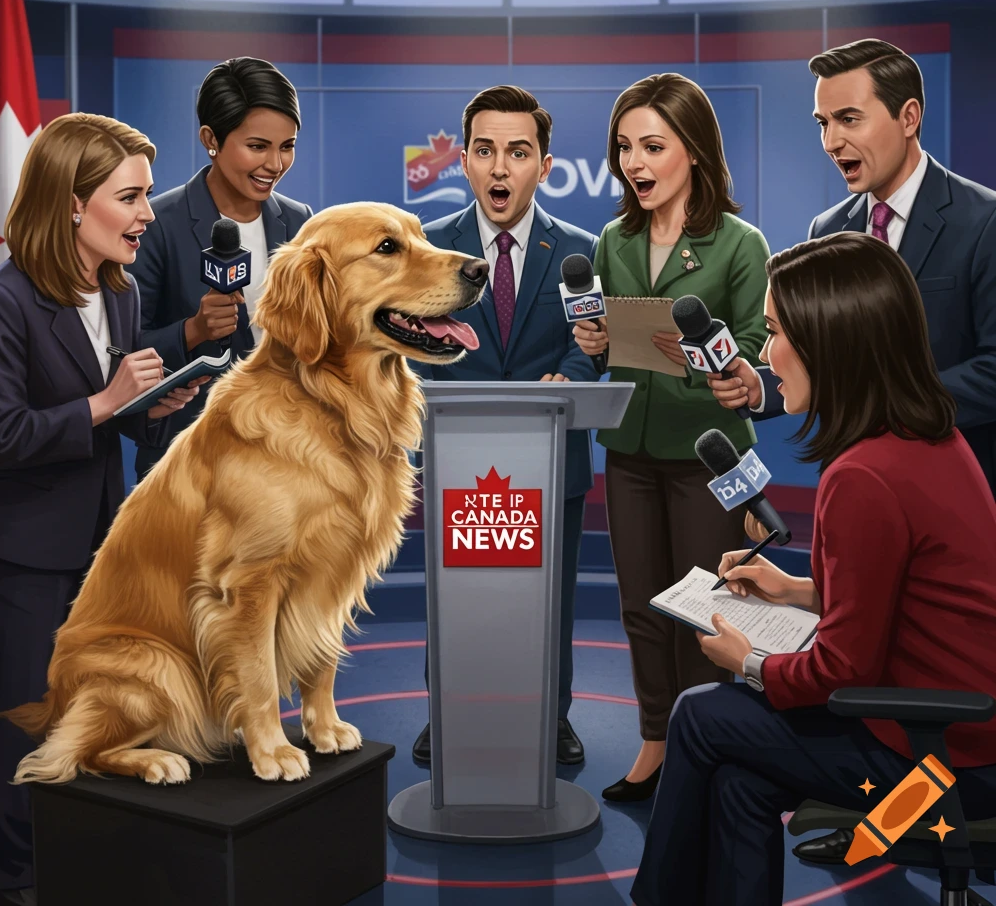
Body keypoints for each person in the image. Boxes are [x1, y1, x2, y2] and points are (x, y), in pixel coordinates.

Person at [630, 231, 996, 906]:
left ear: (831, 343)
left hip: (945, 763)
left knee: (700, 714)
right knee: (740, 781)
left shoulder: (862, 476)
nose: (764, 356)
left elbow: (839, 673)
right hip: (969, 738)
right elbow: (908, 601)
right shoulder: (928, 436)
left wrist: (747, 662)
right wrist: (795, 589)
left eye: (774, 333)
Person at [0, 113, 203, 906]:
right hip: (24, 556)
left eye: (145, 196)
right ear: (73, 203)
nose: (146, 215)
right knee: (23, 726)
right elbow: (5, 438)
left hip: (106, 546)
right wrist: (108, 401)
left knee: (94, 715)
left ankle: (85, 866)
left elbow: (110, 420)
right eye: (129, 197)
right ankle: (20, 884)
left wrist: (153, 404)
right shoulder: (0, 303)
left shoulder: (122, 293)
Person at [573, 73, 770, 802]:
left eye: (652, 146)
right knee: (643, 606)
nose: (635, 162)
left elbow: (757, 346)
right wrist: (595, 342)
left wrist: (711, 360)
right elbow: (603, 343)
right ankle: (655, 742)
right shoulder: (613, 239)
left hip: (708, 455)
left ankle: (705, 747)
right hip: (629, 451)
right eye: (624, 148)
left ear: (694, 150)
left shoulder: (740, 243)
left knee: (706, 607)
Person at [710, 38, 996, 501]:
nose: (831, 142)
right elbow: (831, 360)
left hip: (953, 488)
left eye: (848, 119)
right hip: (854, 483)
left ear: (908, 117)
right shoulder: (827, 229)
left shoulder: (985, 221)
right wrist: (761, 387)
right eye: (823, 123)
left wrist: (885, 405)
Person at [409, 85, 599, 767]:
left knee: (550, 601)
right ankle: (447, 711)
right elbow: (407, 344)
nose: (499, 167)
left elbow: (589, 346)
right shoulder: (427, 245)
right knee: (457, 598)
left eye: (517, 153)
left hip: (552, 458)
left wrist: (571, 379)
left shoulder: (580, 252)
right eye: (485, 150)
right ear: (463, 160)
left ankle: (552, 715)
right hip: (456, 458)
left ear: (543, 167)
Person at [126, 56, 314, 482]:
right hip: (190, 462)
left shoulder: (300, 220)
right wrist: (192, 331)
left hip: (287, 457)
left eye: (287, 146)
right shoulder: (155, 224)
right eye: (257, 146)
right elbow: (123, 350)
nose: (275, 164)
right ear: (211, 139)